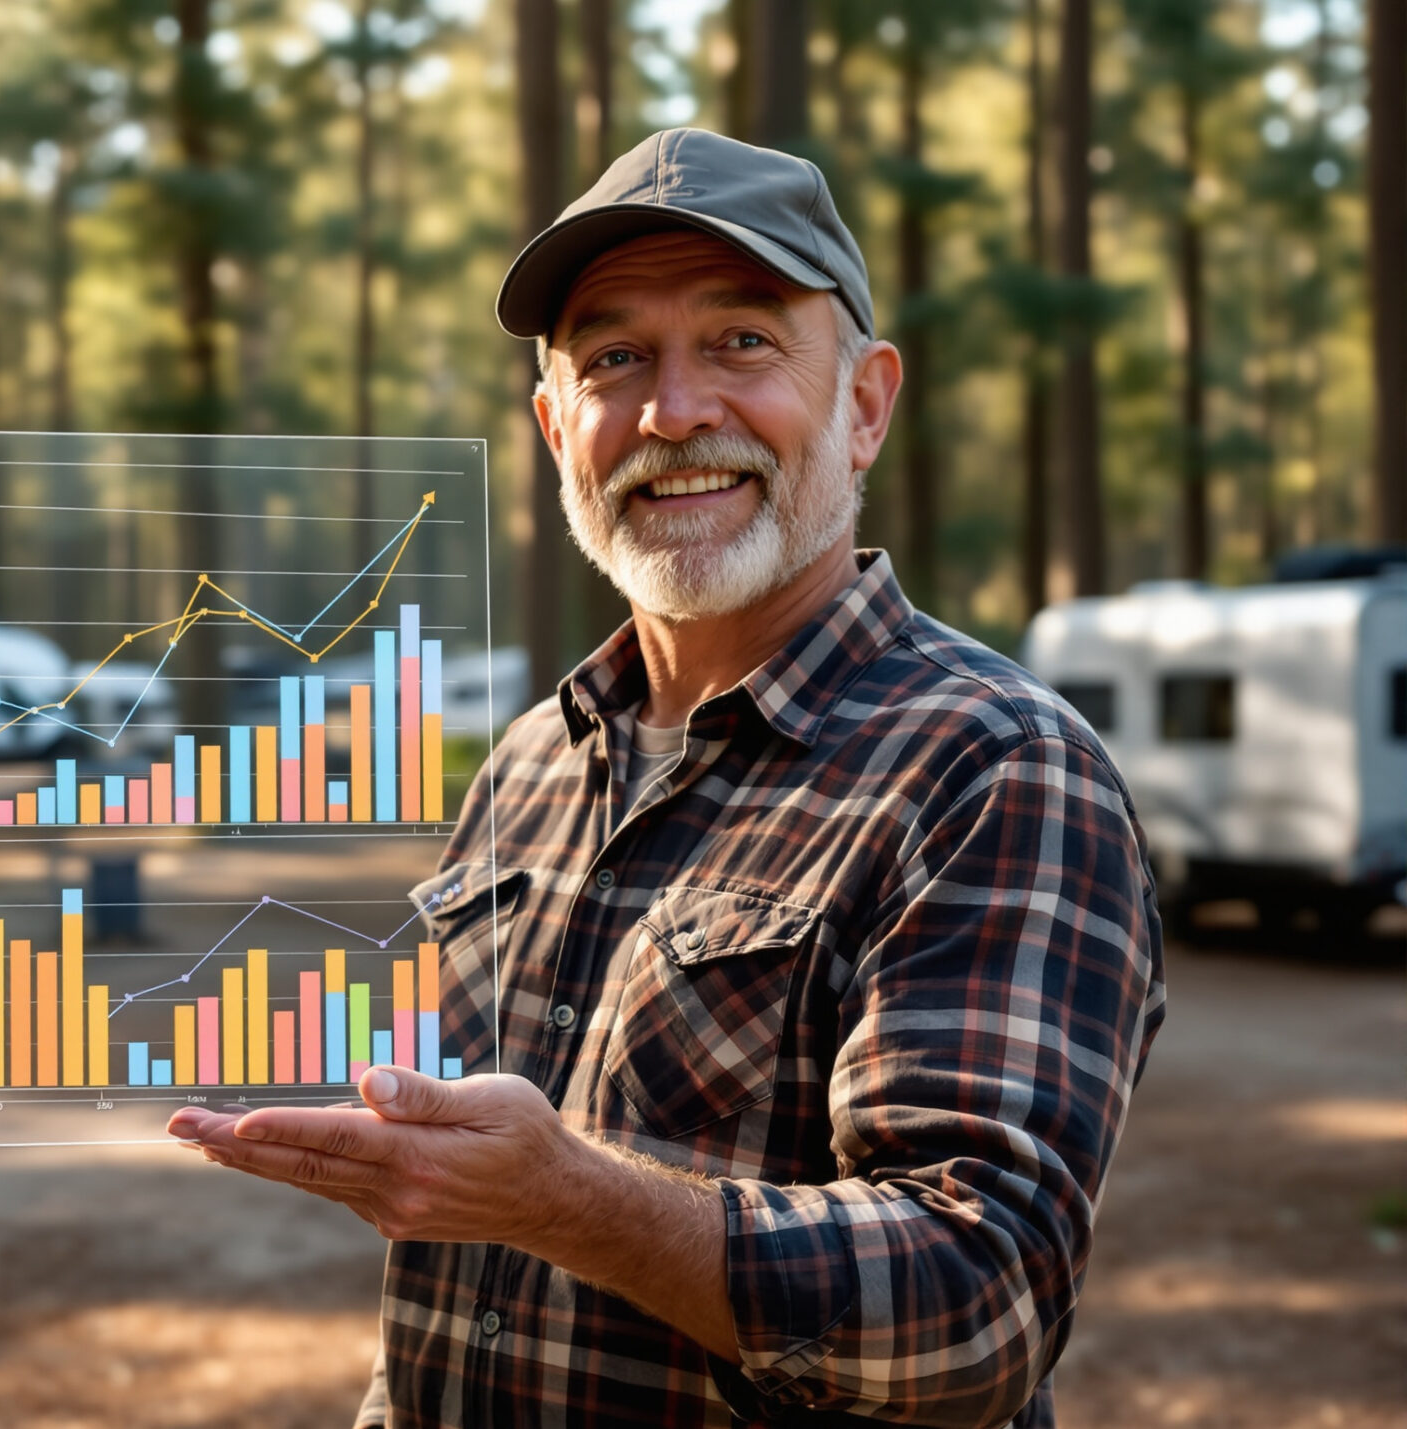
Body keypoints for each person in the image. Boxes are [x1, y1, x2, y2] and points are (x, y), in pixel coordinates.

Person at [168, 128, 1166, 1427]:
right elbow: (455, 1279)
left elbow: (976, 1309)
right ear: (553, 427)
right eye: (614, 358)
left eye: (741, 343)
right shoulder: (526, 765)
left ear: (865, 404)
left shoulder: (993, 767)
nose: (673, 410)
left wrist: (566, 1198)